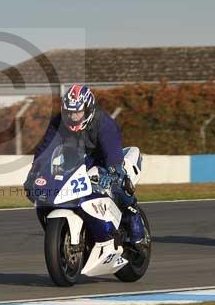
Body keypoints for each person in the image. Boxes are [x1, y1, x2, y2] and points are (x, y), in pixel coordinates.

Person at [24, 84, 145, 243]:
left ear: (88, 109)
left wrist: (112, 172)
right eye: (69, 112)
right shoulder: (58, 123)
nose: (73, 116)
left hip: (102, 161)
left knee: (121, 182)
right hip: (75, 161)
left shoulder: (104, 123)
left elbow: (112, 153)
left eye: (77, 112)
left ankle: (133, 215)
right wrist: (35, 171)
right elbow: (46, 149)